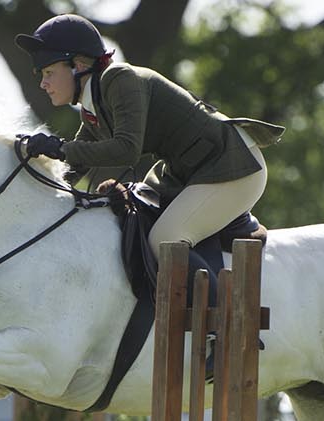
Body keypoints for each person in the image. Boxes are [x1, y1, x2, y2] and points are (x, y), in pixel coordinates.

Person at [14, 14, 283, 264]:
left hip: (232, 165)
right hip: (189, 173)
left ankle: (210, 315)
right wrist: (31, 175)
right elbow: (75, 166)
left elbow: (126, 149)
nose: (43, 83)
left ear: (78, 66)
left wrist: (60, 149)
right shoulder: (92, 105)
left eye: (49, 72)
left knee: (164, 240)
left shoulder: (120, 79)